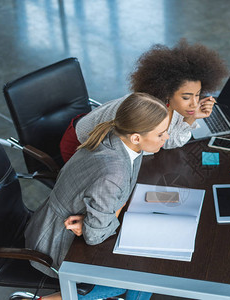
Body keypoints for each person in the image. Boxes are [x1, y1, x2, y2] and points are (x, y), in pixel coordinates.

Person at [22, 93, 169, 300]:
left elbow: (116, 198)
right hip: (56, 244)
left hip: (52, 222)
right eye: (161, 134)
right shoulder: (113, 173)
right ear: (137, 137)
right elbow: (94, 236)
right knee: (142, 276)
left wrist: (96, 220)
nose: (166, 138)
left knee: (145, 271)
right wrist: (96, 224)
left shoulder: (117, 136)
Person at [60, 39, 227, 162]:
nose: (195, 102)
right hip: (81, 146)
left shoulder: (171, 106)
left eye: (197, 94)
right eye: (186, 97)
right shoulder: (146, 112)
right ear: (167, 92)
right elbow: (141, 151)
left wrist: (191, 116)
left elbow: (168, 142)